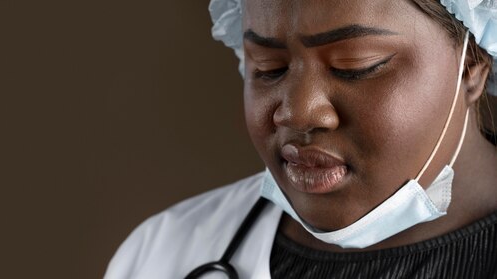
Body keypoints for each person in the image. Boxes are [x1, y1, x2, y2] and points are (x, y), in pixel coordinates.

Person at [105, 0, 497, 278]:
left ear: (472, 65)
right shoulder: (162, 253)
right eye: (269, 68)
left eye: (355, 66)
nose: (297, 112)